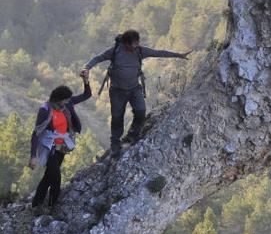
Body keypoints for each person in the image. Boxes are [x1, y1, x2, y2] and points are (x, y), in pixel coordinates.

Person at [82, 29, 190, 157]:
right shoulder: (115, 51)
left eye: (137, 42)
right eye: (134, 43)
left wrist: (179, 55)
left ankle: (132, 135)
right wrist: (86, 68)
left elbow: (158, 53)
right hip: (117, 91)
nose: (136, 45)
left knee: (140, 111)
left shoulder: (140, 50)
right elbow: (98, 58)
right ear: (126, 43)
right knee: (117, 117)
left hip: (134, 88)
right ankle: (115, 143)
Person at [28, 70, 91, 210]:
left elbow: (87, 95)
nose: (69, 102)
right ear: (58, 99)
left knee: (48, 177)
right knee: (56, 178)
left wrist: (86, 81)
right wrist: (33, 156)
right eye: (66, 100)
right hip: (49, 147)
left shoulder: (66, 105)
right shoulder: (45, 110)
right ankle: (52, 206)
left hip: (61, 147)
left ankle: (36, 204)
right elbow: (36, 133)